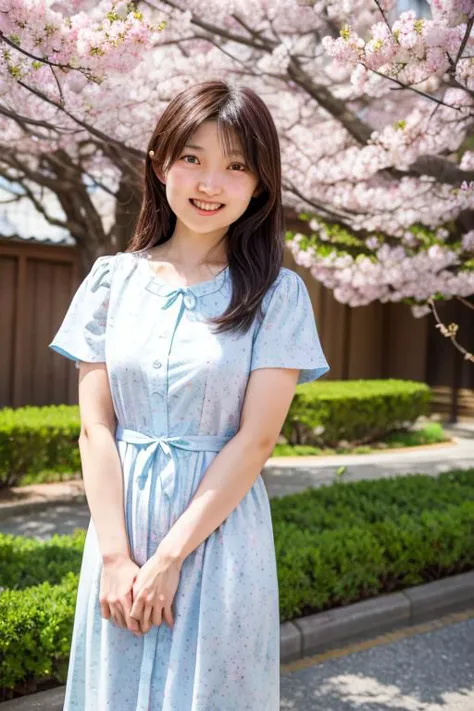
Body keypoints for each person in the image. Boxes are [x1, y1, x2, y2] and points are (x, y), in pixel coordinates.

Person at [49, 79, 330, 711]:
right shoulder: (109, 283)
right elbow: (96, 429)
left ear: (261, 184)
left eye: (237, 166)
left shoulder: (276, 296)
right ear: (160, 161)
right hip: (121, 530)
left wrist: (171, 556)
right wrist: (119, 559)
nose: (211, 184)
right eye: (193, 159)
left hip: (217, 537)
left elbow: (256, 440)